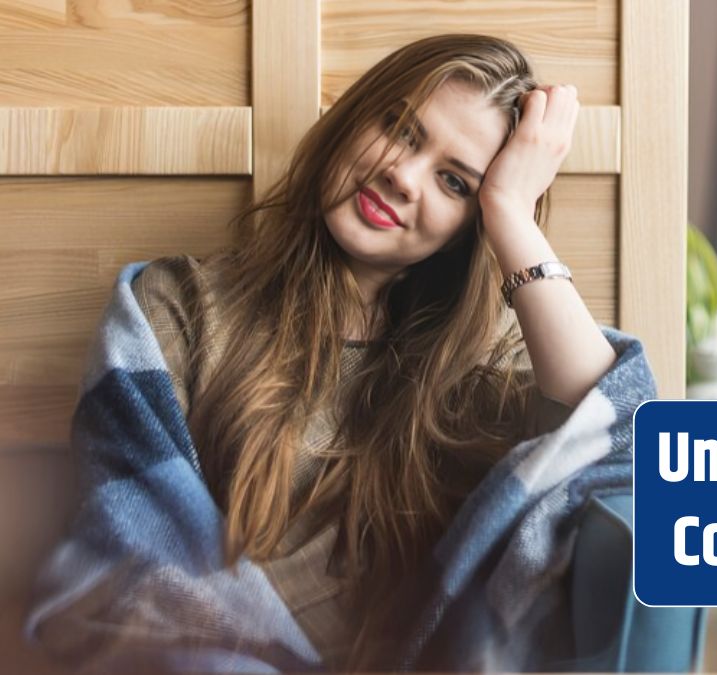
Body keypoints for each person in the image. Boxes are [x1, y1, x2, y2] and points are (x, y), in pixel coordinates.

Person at [29, 34, 635, 671]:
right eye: (400, 129)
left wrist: (512, 214)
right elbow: (130, 571)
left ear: (472, 227)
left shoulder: (478, 374)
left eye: (455, 182)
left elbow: (627, 449)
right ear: (352, 117)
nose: (402, 176)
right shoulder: (178, 307)